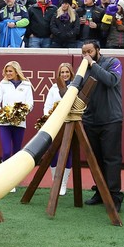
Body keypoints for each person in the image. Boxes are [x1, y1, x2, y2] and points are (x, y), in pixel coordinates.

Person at [80, 41, 124, 211]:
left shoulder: (113, 62)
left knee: (111, 160)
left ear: (98, 50)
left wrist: (93, 64)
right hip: (90, 120)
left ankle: (114, 197)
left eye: (89, 51)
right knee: (95, 160)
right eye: (83, 52)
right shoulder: (83, 68)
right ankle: (100, 192)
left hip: (111, 120)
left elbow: (111, 80)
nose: (86, 55)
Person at [0, 60, 34, 191]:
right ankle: (5, 178)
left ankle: (13, 180)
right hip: (4, 122)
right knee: (5, 151)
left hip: (19, 122)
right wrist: (1, 113)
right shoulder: (2, 84)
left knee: (16, 152)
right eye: (6, 71)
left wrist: (22, 113)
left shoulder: (27, 85)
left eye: (11, 71)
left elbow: (30, 104)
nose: (8, 73)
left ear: (17, 71)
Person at [44, 63, 75, 195]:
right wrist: (48, 118)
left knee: (67, 154)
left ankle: (63, 184)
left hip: (70, 124)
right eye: (62, 72)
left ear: (71, 73)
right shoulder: (53, 88)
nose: (64, 75)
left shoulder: (75, 87)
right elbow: (47, 106)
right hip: (55, 125)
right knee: (54, 154)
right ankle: (55, 181)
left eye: (67, 72)